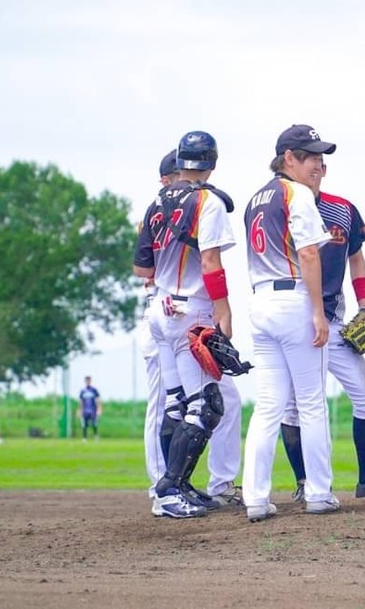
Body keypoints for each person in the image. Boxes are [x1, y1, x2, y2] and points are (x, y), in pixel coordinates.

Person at [278, 157, 365, 503]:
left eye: (321, 163)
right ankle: (305, 482)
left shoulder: (343, 210)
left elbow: (356, 258)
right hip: (294, 322)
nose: (316, 168)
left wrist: (364, 306)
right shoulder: (281, 208)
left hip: (332, 321)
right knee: (293, 406)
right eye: (310, 161)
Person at [133, 131, 240, 519]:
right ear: (212, 162)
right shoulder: (206, 202)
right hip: (190, 311)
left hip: (159, 309)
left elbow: (141, 268)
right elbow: (211, 263)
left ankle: (174, 487)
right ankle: (169, 490)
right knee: (206, 406)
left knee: (177, 406)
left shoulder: (156, 202)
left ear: (179, 161)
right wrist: (223, 311)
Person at [241, 124, 339, 523]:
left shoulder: (254, 198)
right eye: (310, 156)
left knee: (268, 406)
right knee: (312, 402)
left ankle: (256, 498)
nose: (318, 163)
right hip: (292, 297)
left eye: (319, 156)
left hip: (261, 299)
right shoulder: (296, 193)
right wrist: (318, 311)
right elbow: (310, 255)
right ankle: (318, 492)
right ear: (288, 159)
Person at [78, 376, 102, 440]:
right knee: (84, 424)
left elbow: (98, 399)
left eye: (89, 380)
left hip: (93, 409)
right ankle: (84, 437)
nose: (87, 382)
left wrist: (99, 409)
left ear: (90, 381)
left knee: (94, 423)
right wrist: (80, 410)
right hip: (85, 410)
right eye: (86, 380)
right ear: (85, 381)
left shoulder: (94, 390)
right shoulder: (83, 391)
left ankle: (96, 436)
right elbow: (81, 401)